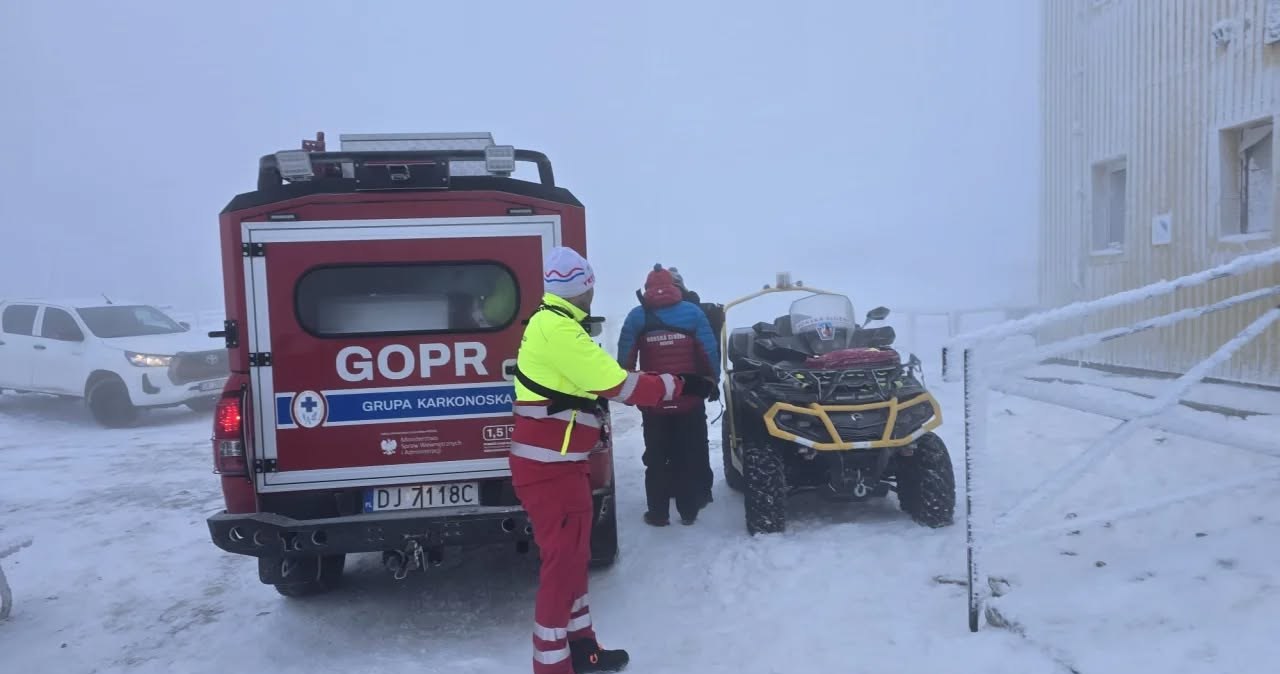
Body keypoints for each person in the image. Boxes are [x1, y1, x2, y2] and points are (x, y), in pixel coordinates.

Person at [509, 247, 714, 674]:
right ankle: (551, 666)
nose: (593, 293)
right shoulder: (559, 331)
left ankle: (583, 649)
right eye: (590, 286)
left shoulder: (556, 323)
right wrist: (680, 384)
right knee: (561, 566)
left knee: (574, 561)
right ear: (583, 288)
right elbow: (618, 384)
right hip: (548, 469)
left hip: (564, 463)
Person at [616, 265, 720, 526]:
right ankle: (688, 511)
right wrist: (710, 380)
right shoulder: (693, 312)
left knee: (656, 458)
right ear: (676, 287)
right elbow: (709, 354)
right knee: (687, 454)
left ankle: (658, 513)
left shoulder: (637, 316)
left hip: (654, 402)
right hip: (689, 398)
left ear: (647, 288)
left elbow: (625, 359)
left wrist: (631, 388)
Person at [664, 266, 724, 504]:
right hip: (695, 385)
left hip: (659, 388)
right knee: (696, 441)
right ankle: (701, 490)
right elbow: (710, 349)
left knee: (666, 442)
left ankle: (673, 488)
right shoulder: (699, 310)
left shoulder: (649, 310)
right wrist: (712, 379)